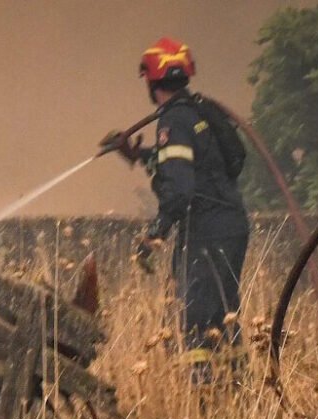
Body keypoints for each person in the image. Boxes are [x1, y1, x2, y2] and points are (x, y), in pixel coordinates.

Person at [102, 37, 250, 381]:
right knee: (223, 315)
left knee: (195, 318)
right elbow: (194, 166)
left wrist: (155, 233)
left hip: (206, 230)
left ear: (152, 83)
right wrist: (138, 156)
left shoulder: (174, 122)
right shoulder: (198, 113)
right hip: (231, 225)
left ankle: (201, 397)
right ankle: (239, 393)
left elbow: (180, 189)